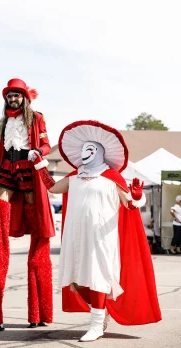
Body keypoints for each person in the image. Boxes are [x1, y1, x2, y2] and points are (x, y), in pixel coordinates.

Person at [30, 120, 162, 342]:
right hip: (76, 236)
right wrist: (41, 164)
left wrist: (137, 195)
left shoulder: (112, 177)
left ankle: (96, 325)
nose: (85, 153)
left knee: (98, 278)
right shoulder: (75, 176)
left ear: (100, 152)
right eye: (83, 149)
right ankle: (101, 313)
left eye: (90, 149)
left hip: (102, 237)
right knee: (76, 281)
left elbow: (129, 205)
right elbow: (53, 187)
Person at [0, 78, 55, 332]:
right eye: (9, 95)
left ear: (24, 97)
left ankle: (38, 312)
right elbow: (3, 149)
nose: (13, 99)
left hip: (28, 168)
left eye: (16, 95)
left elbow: (45, 143)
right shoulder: (5, 122)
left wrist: (39, 153)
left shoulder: (37, 117)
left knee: (36, 223)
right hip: (7, 168)